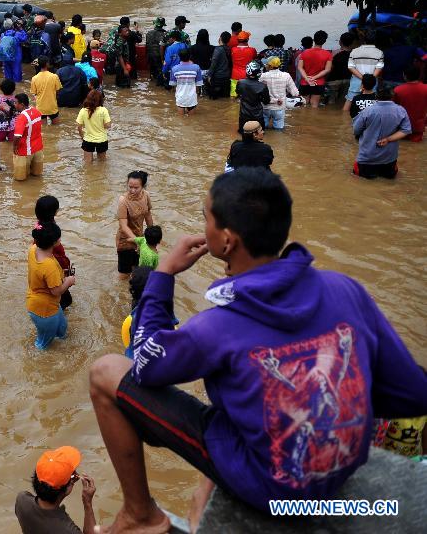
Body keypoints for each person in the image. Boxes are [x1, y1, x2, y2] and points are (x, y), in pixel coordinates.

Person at [87, 168, 427, 533]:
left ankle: (140, 514)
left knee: (106, 370)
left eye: (206, 219)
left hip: (273, 488)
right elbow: (410, 394)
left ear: (227, 241)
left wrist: (165, 273)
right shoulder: (346, 289)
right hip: (342, 466)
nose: (203, 227)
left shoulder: (216, 326)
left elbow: (145, 365)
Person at [26, 221, 76, 350]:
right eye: (59, 237)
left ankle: (64, 346)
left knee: (62, 328)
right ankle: (39, 362)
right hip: (44, 310)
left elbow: (43, 275)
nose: (60, 239)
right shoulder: (49, 266)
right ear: (54, 242)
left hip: (47, 305)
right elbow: (56, 291)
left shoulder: (33, 250)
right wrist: (69, 281)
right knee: (44, 342)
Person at [352, 87, 412, 179]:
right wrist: (388, 139)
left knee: (361, 184)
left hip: (367, 158)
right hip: (389, 158)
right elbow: (406, 130)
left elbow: (356, 130)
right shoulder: (400, 110)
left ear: (376, 96)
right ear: (392, 97)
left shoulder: (368, 111)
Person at [116, 171, 154, 279]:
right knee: (124, 275)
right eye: (130, 187)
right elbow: (123, 226)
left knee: (137, 271)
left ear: (143, 186)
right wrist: (137, 241)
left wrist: (152, 236)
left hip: (140, 238)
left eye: (136, 187)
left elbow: (148, 215)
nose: (132, 190)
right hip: (125, 241)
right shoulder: (123, 201)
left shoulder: (146, 195)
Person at [344, 31, 384, 115]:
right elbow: (379, 68)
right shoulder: (379, 52)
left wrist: (363, 79)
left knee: (347, 107)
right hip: (371, 83)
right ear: (375, 41)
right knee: (371, 106)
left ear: (364, 40)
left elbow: (350, 67)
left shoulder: (354, 51)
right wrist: (369, 80)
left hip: (356, 82)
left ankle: (344, 125)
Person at [260, 56, 299, 130]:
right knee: (278, 130)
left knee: (262, 129)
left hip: (265, 107)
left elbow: (257, 89)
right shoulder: (286, 75)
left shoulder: (263, 76)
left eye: (266, 64)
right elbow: (295, 93)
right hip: (279, 107)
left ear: (270, 66)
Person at [12, 93, 44, 181]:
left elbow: (17, 136)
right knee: (37, 176)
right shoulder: (37, 111)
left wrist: (14, 147)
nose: (14, 105)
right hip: (38, 148)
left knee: (20, 179)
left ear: (21, 104)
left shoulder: (22, 117)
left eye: (15, 103)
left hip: (25, 151)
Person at [392, 64, 427, 142]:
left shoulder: (398, 90)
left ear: (404, 75)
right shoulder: (425, 89)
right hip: (418, 127)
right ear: (420, 75)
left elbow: (393, 109)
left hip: (401, 127)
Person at [297, 30, 332, 108]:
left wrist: (307, 78)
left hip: (305, 82)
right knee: (314, 105)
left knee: (304, 105)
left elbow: (300, 67)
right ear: (324, 41)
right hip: (318, 83)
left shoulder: (304, 53)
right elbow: (327, 69)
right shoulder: (328, 54)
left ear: (314, 39)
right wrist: (314, 78)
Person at [76, 89, 111, 164]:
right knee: (102, 163)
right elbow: (108, 125)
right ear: (100, 100)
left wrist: (82, 136)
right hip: (102, 140)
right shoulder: (103, 110)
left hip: (88, 140)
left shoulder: (83, 110)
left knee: (87, 163)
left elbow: (79, 127)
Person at [236, 60, 270, 132]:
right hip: (257, 115)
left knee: (243, 134)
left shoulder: (240, 82)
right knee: (260, 135)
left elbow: (238, 93)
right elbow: (266, 101)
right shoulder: (262, 86)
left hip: (244, 115)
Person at [168, 49, 204, 115]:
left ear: (179, 57)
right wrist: (196, 93)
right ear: (190, 56)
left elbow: (173, 84)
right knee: (192, 119)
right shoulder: (196, 67)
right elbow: (198, 84)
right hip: (191, 97)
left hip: (180, 97)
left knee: (181, 119)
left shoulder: (174, 69)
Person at [30, 56, 63, 124]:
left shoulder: (34, 78)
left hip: (40, 107)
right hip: (52, 107)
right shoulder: (54, 76)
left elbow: (34, 93)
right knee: (56, 128)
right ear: (47, 64)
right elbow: (58, 90)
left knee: (43, 130)